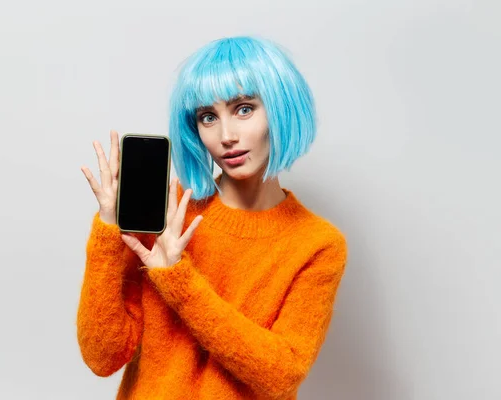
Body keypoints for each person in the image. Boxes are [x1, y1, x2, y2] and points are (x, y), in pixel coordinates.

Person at [77, 35, 348, 399]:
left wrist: (177, 279)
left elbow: (282, 374)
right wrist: (108, 232)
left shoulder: (317, 244)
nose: (226, 136)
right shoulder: (167, 211)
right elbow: (103, 357)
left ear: (282, 108)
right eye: (208, 117)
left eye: (244, 109)